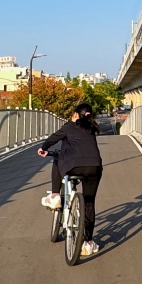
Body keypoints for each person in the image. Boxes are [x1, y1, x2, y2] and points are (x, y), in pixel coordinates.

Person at [38, 102, 102, 256]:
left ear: (75, 114)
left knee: (57, 158)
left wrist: (43, 148)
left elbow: (53, 138)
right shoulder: (91, 128)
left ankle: (55, 195)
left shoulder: (69, 126)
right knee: (89, 203)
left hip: (73, 166)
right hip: (94, 167)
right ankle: (88, 242)